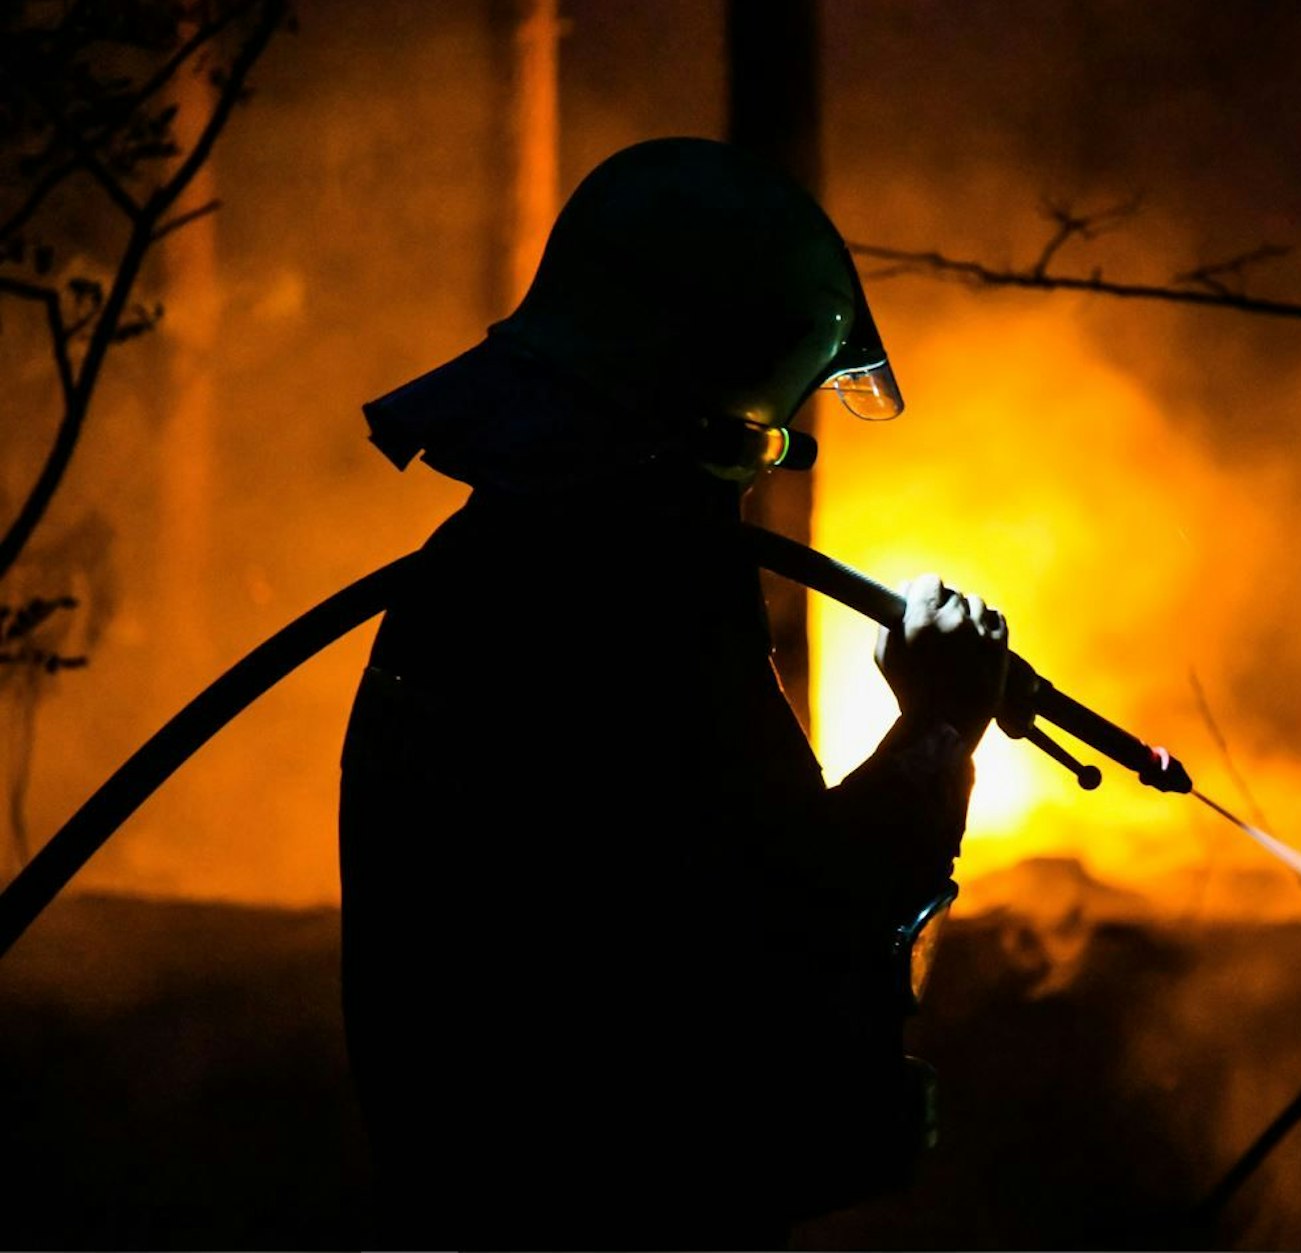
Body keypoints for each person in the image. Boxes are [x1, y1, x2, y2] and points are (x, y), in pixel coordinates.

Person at [338, 137, 1009, 1249]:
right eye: (760, 438)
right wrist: (935, 728)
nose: (760, 473)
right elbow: (784, 917)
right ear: (715, 409)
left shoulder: (482, 568)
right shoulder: (625, 592)